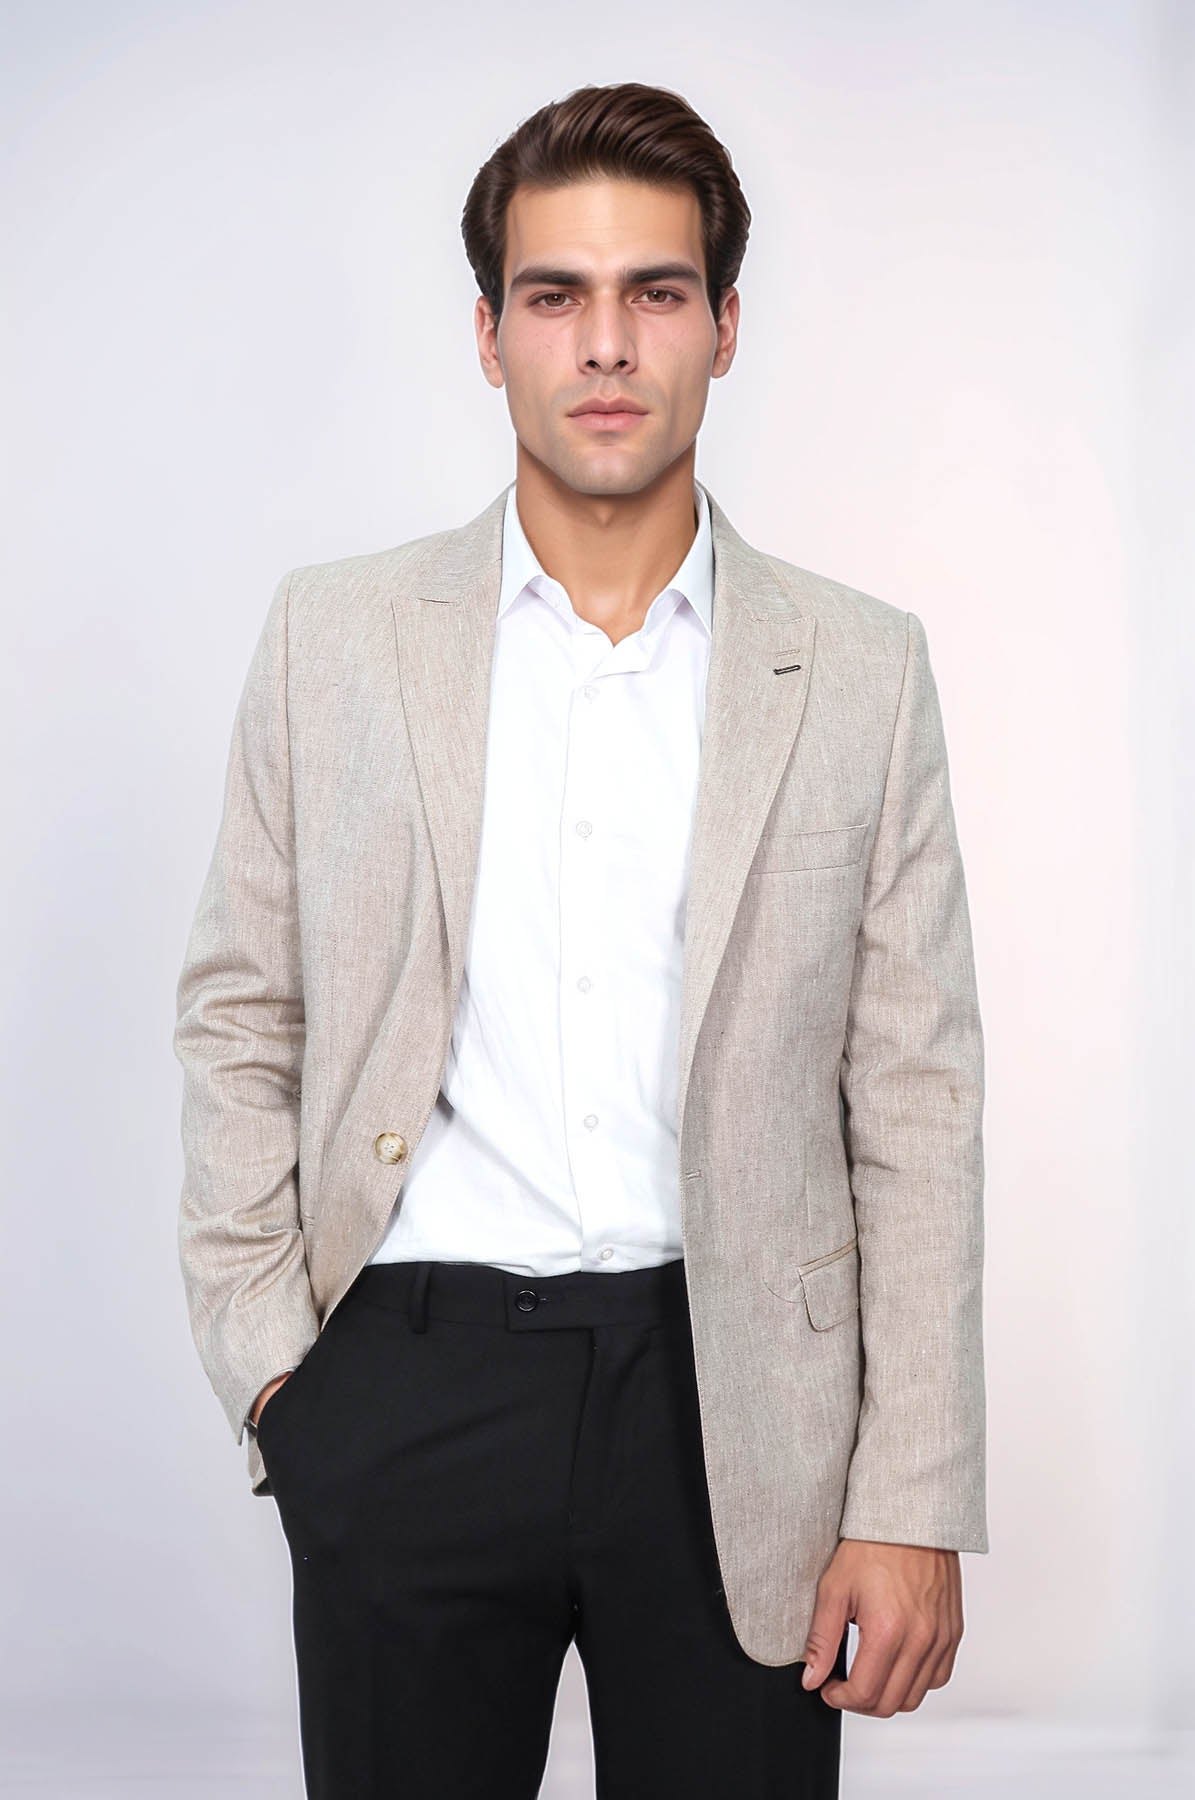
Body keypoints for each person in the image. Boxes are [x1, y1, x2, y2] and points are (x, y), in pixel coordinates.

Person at [174, 79, 988, 1800]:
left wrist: (909, 1495)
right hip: (406, 1384)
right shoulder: (334, 640)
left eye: (655, 293)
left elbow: (916, 1099)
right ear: (490, 336)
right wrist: (278, 1384)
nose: (605, 344)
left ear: (725, 327)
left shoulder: (860, 670)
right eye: (555, 295)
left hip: (738, 1407)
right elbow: (243, 1010)